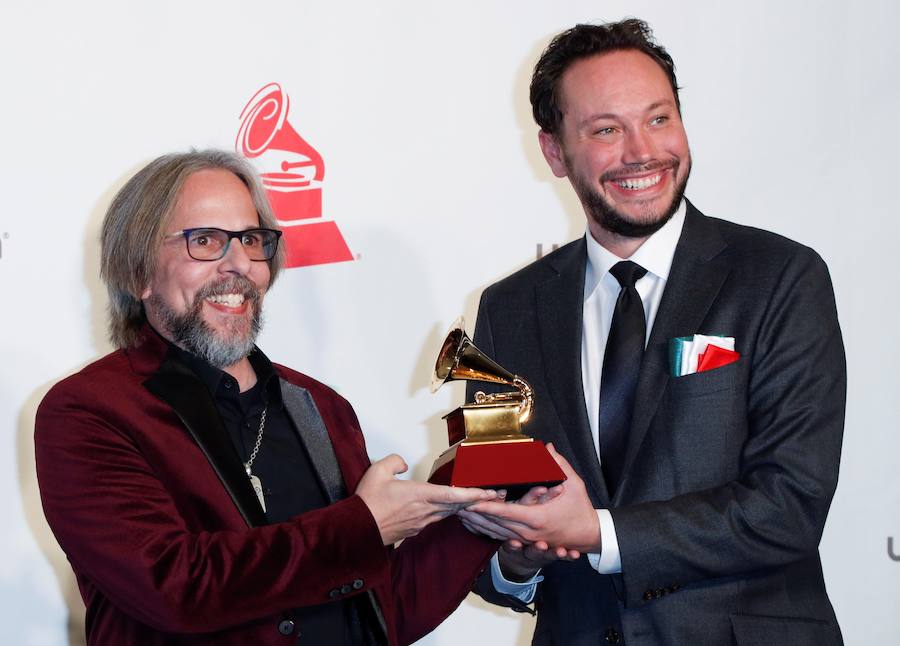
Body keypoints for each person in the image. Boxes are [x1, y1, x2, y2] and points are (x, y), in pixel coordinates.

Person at [457, 19, 845, 645]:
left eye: (659, 119)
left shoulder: (779, 278)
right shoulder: (509, 310)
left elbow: (790, 505)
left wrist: (597, 533)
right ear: (555, 152)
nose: (642, 151)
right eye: (606, 130)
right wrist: (518, 555)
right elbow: (487, 525)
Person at [34, 150, 498, 645]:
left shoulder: (321, 406)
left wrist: (481, 516)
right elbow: (174, 586)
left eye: (252, 240)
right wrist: (361, 527)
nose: (239, 264)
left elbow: (383, 612)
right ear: (138, 273)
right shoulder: (87, 412)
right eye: (205, 241)